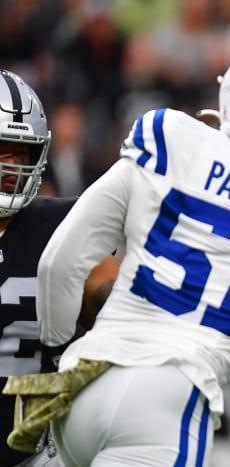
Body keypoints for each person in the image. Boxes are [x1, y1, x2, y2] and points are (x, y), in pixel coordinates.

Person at [6, 37, 230, 467]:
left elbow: (60, 264)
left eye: (18, 153)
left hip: (82, 385)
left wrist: (58, 357)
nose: (10, 167)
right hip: (168, 395)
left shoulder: (170, 141)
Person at [0, 69, 120, 466]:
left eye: (23, 153)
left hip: (43, 454)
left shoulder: (65, 227)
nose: (12, 166)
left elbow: (139, 309)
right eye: (2, 150)